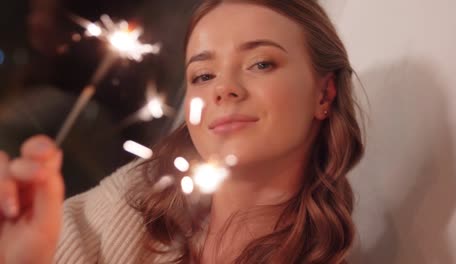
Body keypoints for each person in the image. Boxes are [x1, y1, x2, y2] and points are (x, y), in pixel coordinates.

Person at [0, 0, 364, 263]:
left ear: (324, 93)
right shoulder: (132, 202)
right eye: (203, 76)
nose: (223, 89)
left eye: (261, 63)